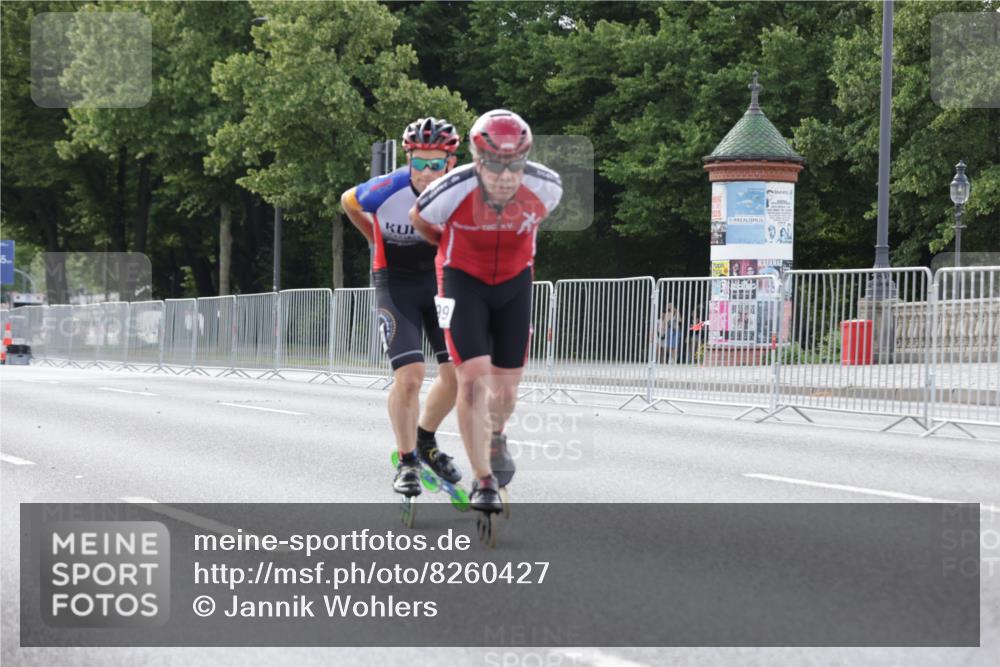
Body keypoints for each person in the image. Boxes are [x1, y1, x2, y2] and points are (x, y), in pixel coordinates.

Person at [409, 109, 562, 513]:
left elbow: (535, 223)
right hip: (462, 280)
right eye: (495, 165)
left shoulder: (547, 186)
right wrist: (445, 244)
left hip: (514, 282)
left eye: (515, 163)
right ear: (477, 160)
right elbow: (419, 219)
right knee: (473, 380)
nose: (506, 175)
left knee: (506, 389)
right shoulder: (450, 189)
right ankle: (483, 480)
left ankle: (496, 435)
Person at [340, 117, 462, 497]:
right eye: (419, 162)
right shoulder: (388, 188)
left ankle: (425, 441)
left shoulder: (459, 194)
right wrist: (374, 237)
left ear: (451, 163)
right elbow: (348, 201)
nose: (426, 172)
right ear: (408, 159)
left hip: (439, 284)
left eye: (435, 163)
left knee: (457, 373)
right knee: (409, 377)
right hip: (395, 283)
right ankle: (407, 460)